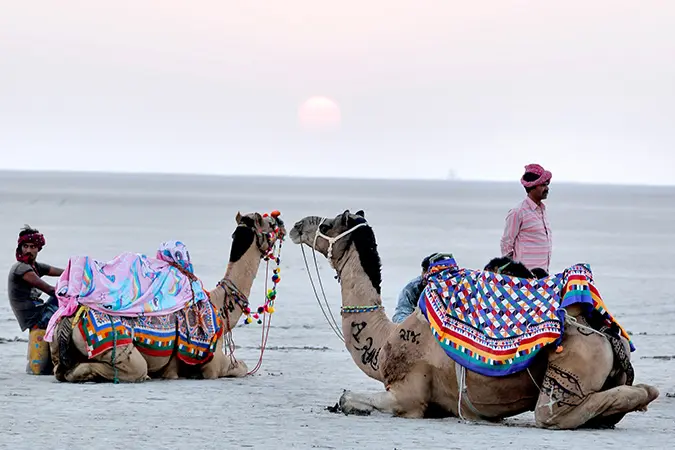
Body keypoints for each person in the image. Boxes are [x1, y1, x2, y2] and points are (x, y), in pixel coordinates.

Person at [7, 225, 64, 333]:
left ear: (38, 249)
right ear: (20, 247)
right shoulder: (21, 268)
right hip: (35, 319)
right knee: (69, 298)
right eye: (25, 246)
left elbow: (64, 272)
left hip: (40, 311)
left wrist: (79, 272)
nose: (28, 250)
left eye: (32, 247)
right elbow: (50, 290)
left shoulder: (35, 266)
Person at [500, 163, 553, 275]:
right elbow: (506, 244)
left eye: (547, 184)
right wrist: (513, 273)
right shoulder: (518, 212)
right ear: (532, 187)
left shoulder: (542, 211)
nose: (547, 188)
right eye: (543, 185)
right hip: (524, 280)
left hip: (542, 277)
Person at [392, 252, 452, 323]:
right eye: (424, 270)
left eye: (431, 271)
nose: (425, 275)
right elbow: (400, 314)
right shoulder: (412, 288)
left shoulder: (454, 287)